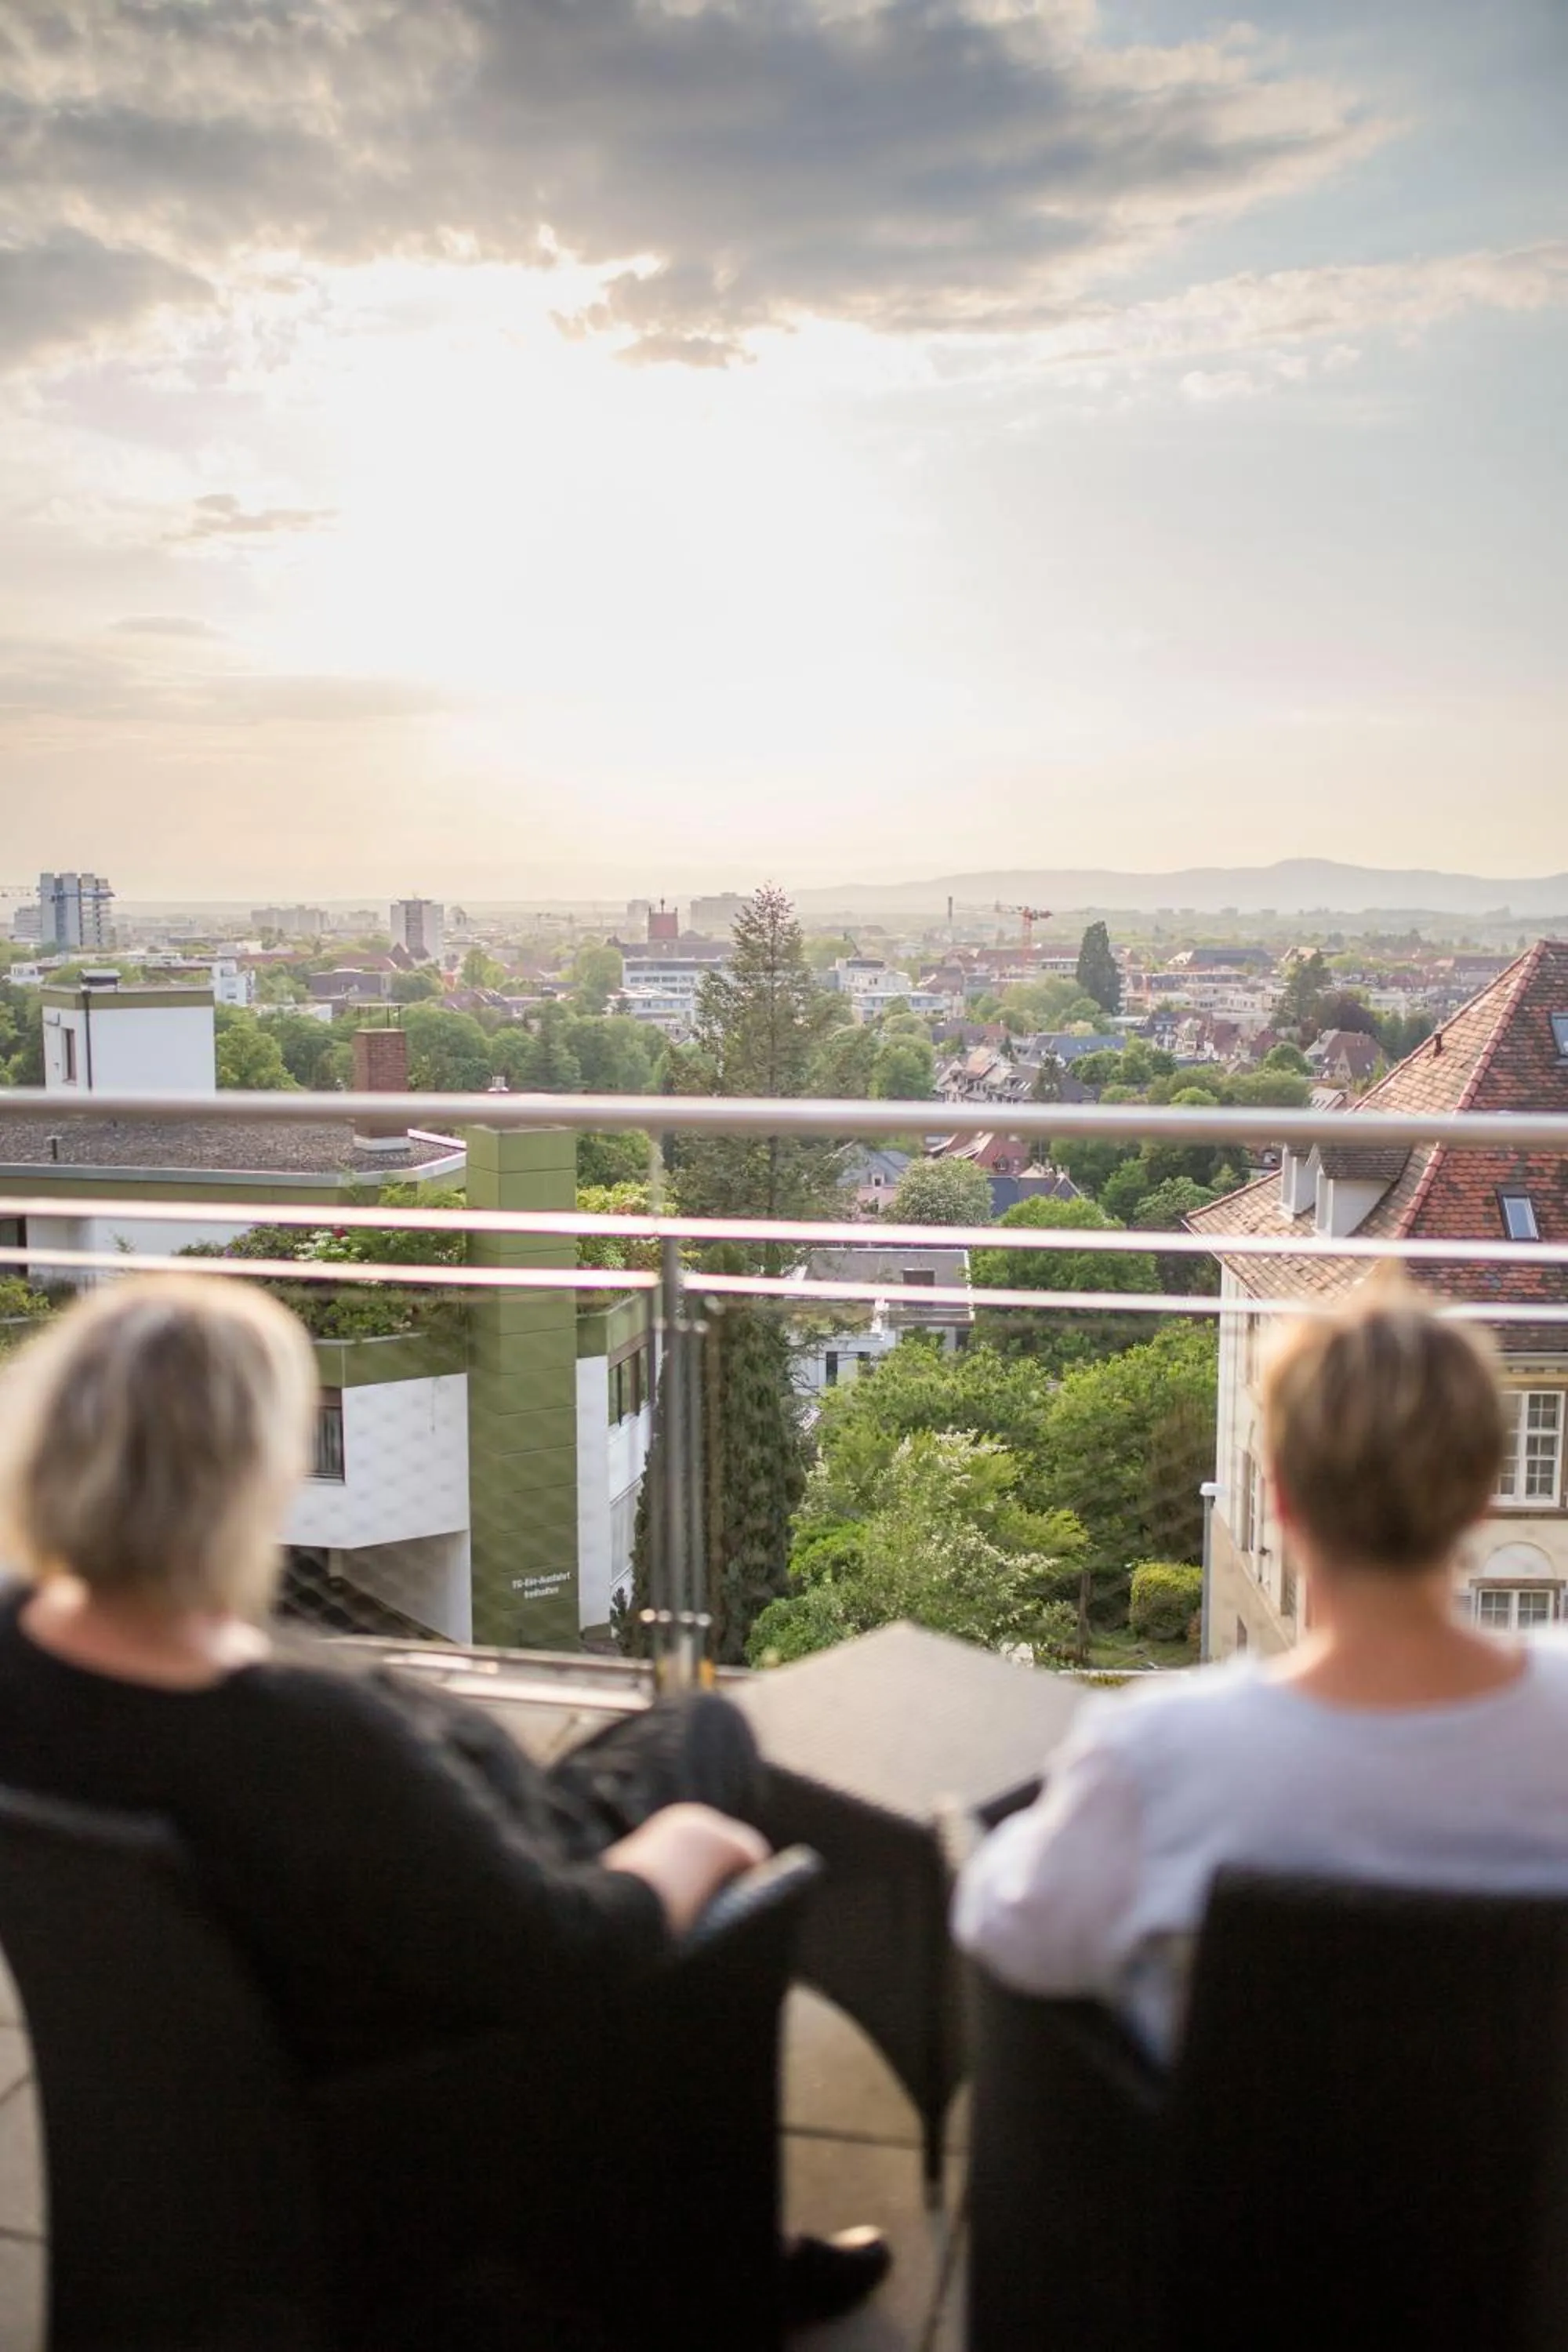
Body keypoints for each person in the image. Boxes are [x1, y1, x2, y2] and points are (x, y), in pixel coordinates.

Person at [0, 1276, 889, 2340]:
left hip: (249, 2041)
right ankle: (708, 2256)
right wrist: (689, 1851)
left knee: (676, 1734)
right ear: (248, 1480)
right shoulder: (305, 1739)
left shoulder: (21, 1647)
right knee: (710, 1742)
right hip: (428, 2071)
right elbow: (555, 1951)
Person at [954, 1277, 1568, 2061]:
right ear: (1484, 1494)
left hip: (1231, 2178)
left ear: (1279, 1500)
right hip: (1521, 2181)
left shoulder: (1159, 1752)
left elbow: (1010, 1933)